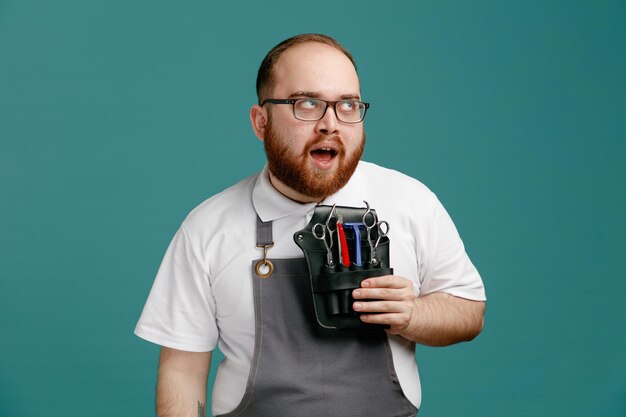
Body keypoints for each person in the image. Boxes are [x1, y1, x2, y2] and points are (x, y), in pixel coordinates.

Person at [135, 33, 486, 417]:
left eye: (347, 105)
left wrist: (413, 315)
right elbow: (183, 370)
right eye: (307, 103)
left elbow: (468, 312)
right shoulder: (207, 227)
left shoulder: (410, 201)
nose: (330, 124)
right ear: (260, 121)